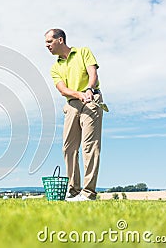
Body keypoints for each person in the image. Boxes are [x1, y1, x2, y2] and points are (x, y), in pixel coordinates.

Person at [44, 28, 103, 201]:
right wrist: (79, 94)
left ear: (60, 40)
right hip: (72, 103)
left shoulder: (83, 52)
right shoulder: (55, 67)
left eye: (49, 42)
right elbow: (62, 90)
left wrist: (89, 90)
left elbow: (93, 73)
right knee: (69, 148)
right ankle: (74, 190)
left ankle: (88, 192)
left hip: (91, 99)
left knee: (89, 146)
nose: (47, 46)